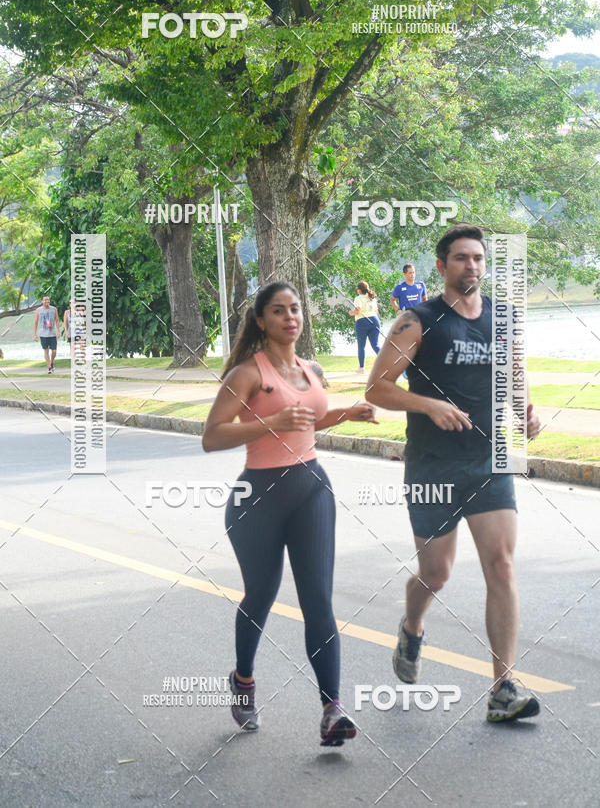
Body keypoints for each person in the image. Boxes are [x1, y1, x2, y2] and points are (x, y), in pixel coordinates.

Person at [366, 224, 542, 723]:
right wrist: (428, 405)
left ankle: (503, 686)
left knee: (502, 566)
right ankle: (412, 626)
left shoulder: (502, 319)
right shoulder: (417, 320)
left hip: (489, 463)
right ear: (441, 267)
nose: (473, 267)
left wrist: (525, 409)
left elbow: (512, 375)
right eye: (462, 259)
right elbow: (376, 388)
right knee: (437, 572)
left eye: (479, 259)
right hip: (433, 467)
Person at [202, 281, 378, 745]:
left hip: (312, 488)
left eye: (295, 309)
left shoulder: (310, 369)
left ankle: (331, 709)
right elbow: (212, 436)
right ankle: (243, 681)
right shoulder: (246, 374)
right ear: (261, 320)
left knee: (318, 600)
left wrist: (347, 412)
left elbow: (309, 420)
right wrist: (269, 422)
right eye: (278, 311)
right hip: (257, 497)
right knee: (260, 596)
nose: (290, 317)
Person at [348, 280, 381, 374]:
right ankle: (386, 364)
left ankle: (361, 368)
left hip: (362, 321)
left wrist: (351, 313)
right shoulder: (372, 298)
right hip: (375, 320)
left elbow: (357, 311)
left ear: (359, 290)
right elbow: (376, 311)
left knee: (361, 345)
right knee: (375, 345)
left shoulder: (358, 298)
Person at [33, 295, 61, 373]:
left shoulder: (54, 309)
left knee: (54, 351)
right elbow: (35, 322)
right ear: (42, 301)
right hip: (43, 334)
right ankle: (49, 368)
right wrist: (35, 334)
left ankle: (52, 363)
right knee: (46, 351)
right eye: (45, 300)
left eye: (48, 300)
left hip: (52, 333)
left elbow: (57, 320)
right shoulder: (38, 310)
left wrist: (58, 331)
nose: (47, 301)